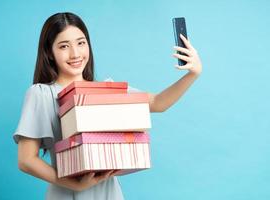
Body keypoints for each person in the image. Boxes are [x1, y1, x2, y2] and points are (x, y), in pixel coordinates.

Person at [13, 12, 202, 200]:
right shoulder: (41, 94)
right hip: (66, 193)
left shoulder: (106, 91)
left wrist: (192, 74)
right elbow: (26, 160)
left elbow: (158, 103)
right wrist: (74, 184)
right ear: (50, 52)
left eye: (81, 43)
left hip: (109, 193)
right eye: (64, 46)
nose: (75, 53)